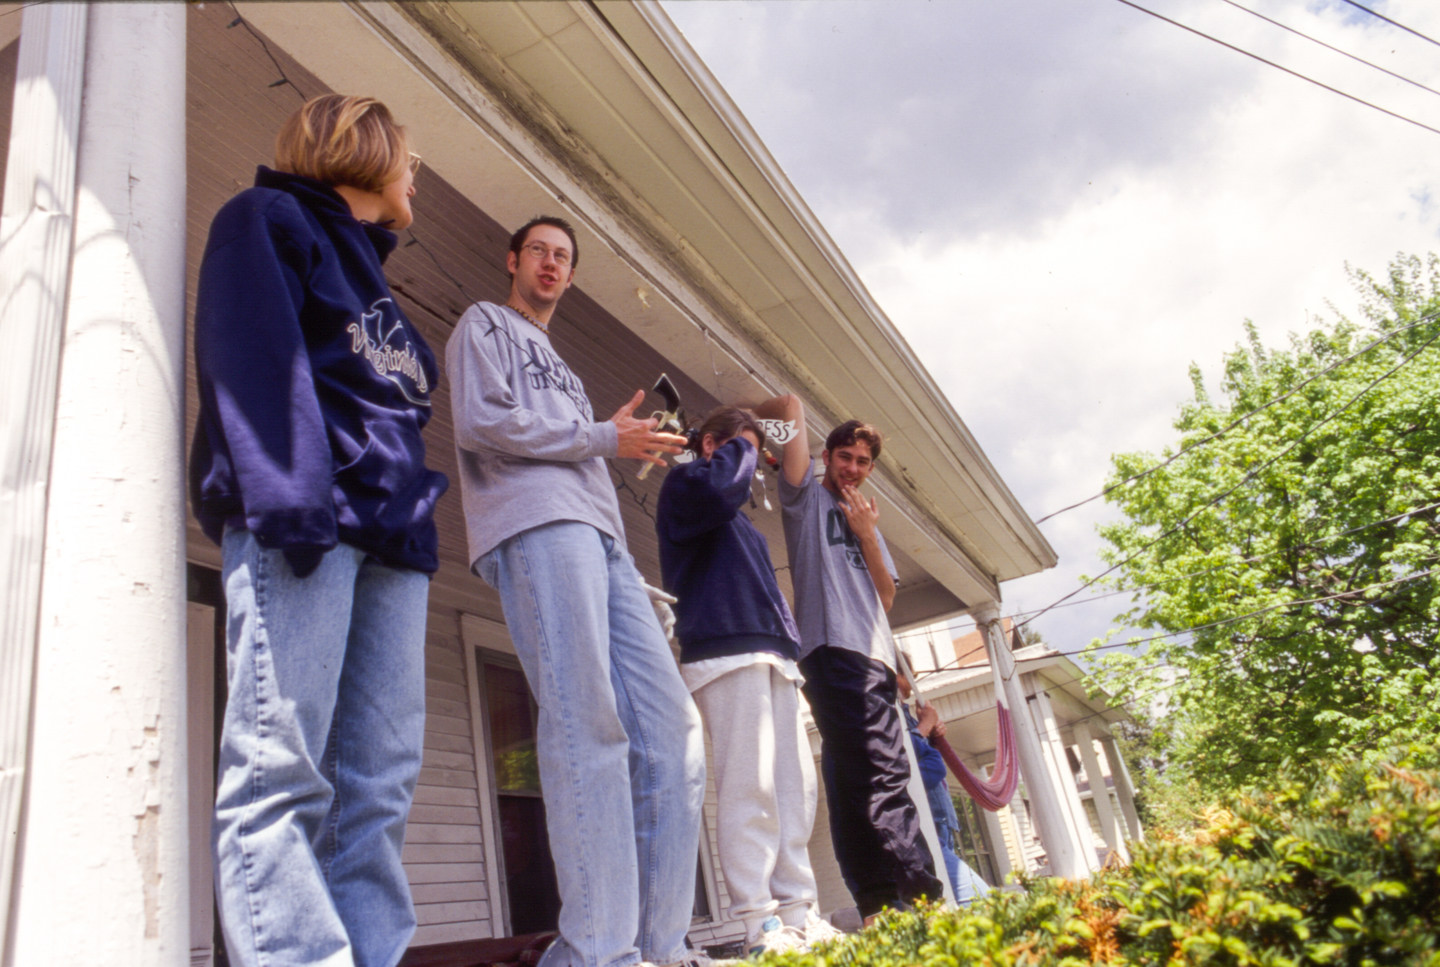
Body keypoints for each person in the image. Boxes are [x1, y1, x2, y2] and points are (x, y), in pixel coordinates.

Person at [191, 94, 448, 967]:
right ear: (366, 147)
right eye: (409, 157)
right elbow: (252, 356)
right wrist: (290, 505)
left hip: (394, 544)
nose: (417, 176)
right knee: (280, 773)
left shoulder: (380, 287)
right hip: (309, 526)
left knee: (376, 788)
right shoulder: (266, 218)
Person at [446, 215, 708, 967]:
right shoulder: (485, 324)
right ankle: (597, 951)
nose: (552, 264)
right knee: (585, 722)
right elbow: (481, 420)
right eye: (540, 251)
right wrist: (602, 437)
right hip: (537, 525)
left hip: (605, 544)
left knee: (673, 734)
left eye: (564, 256)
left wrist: (614, 451)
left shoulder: (560, 362)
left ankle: (661, 946)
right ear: (513, 260)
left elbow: (590, 445)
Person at [655, 404, 843, 955]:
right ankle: (759, 923)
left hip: (774, 655)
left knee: (794, 789)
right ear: (713, 447)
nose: (757, 459)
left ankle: (796, 912)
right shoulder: (687, 486)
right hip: (725, 653)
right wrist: (742, 437)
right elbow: (721, 490)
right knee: (751, 786)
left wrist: (789, 649)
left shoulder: (739, 520)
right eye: (747, 448)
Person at [771, 398, 945, 923]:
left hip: (861, 654)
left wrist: (868, 533)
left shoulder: (866, 516)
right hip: (838, 649)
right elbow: (788, 406)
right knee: (887, 773)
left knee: (852, 778)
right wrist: (752, 422)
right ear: (826, 456)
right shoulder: (805, 496)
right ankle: (920, 904)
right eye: (844, 456)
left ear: (871, 469)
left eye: (862, 462)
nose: (851, 468)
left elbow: (885, 596)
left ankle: (877, 904)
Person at [896, 671, 994, 906]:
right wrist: (926, 725)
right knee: (978, 900)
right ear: (896, 675)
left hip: (939, 817)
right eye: (909, 675)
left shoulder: (905, 713)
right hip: (922, 822)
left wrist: (930, 732)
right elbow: (903, 756)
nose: (912, 683)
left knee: (947, 900)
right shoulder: (889, 712)